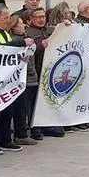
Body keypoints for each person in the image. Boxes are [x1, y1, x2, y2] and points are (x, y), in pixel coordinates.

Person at [0, 4, 34, 153]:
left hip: (6, 80)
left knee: (7, 111)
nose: (8, 20)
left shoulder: (4, 32)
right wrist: (21, 43)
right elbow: (0, 48)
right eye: (6, 17)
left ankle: (6, 140)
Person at [25, 7, 63, 138]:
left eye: (43, 16)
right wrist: (40, 46)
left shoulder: (50, 30)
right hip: (36, 70)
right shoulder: (28, 33)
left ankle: (48, 125)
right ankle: (35, 128)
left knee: (48, 100)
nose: (41, 19)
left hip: (51, 70)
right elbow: (28, 51)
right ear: (31, 19)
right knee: (34, 102)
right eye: (38, 17)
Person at [6, 15, 39, 146]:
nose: (23, 25)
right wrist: (31, 71)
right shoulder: (17, 41)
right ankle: (21, 133)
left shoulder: (24, 39)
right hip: (24, 77)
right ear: (14, 27)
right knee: (21, 108)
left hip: (28, 76)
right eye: (20, 24)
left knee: (25, 107)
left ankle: (23, 131)